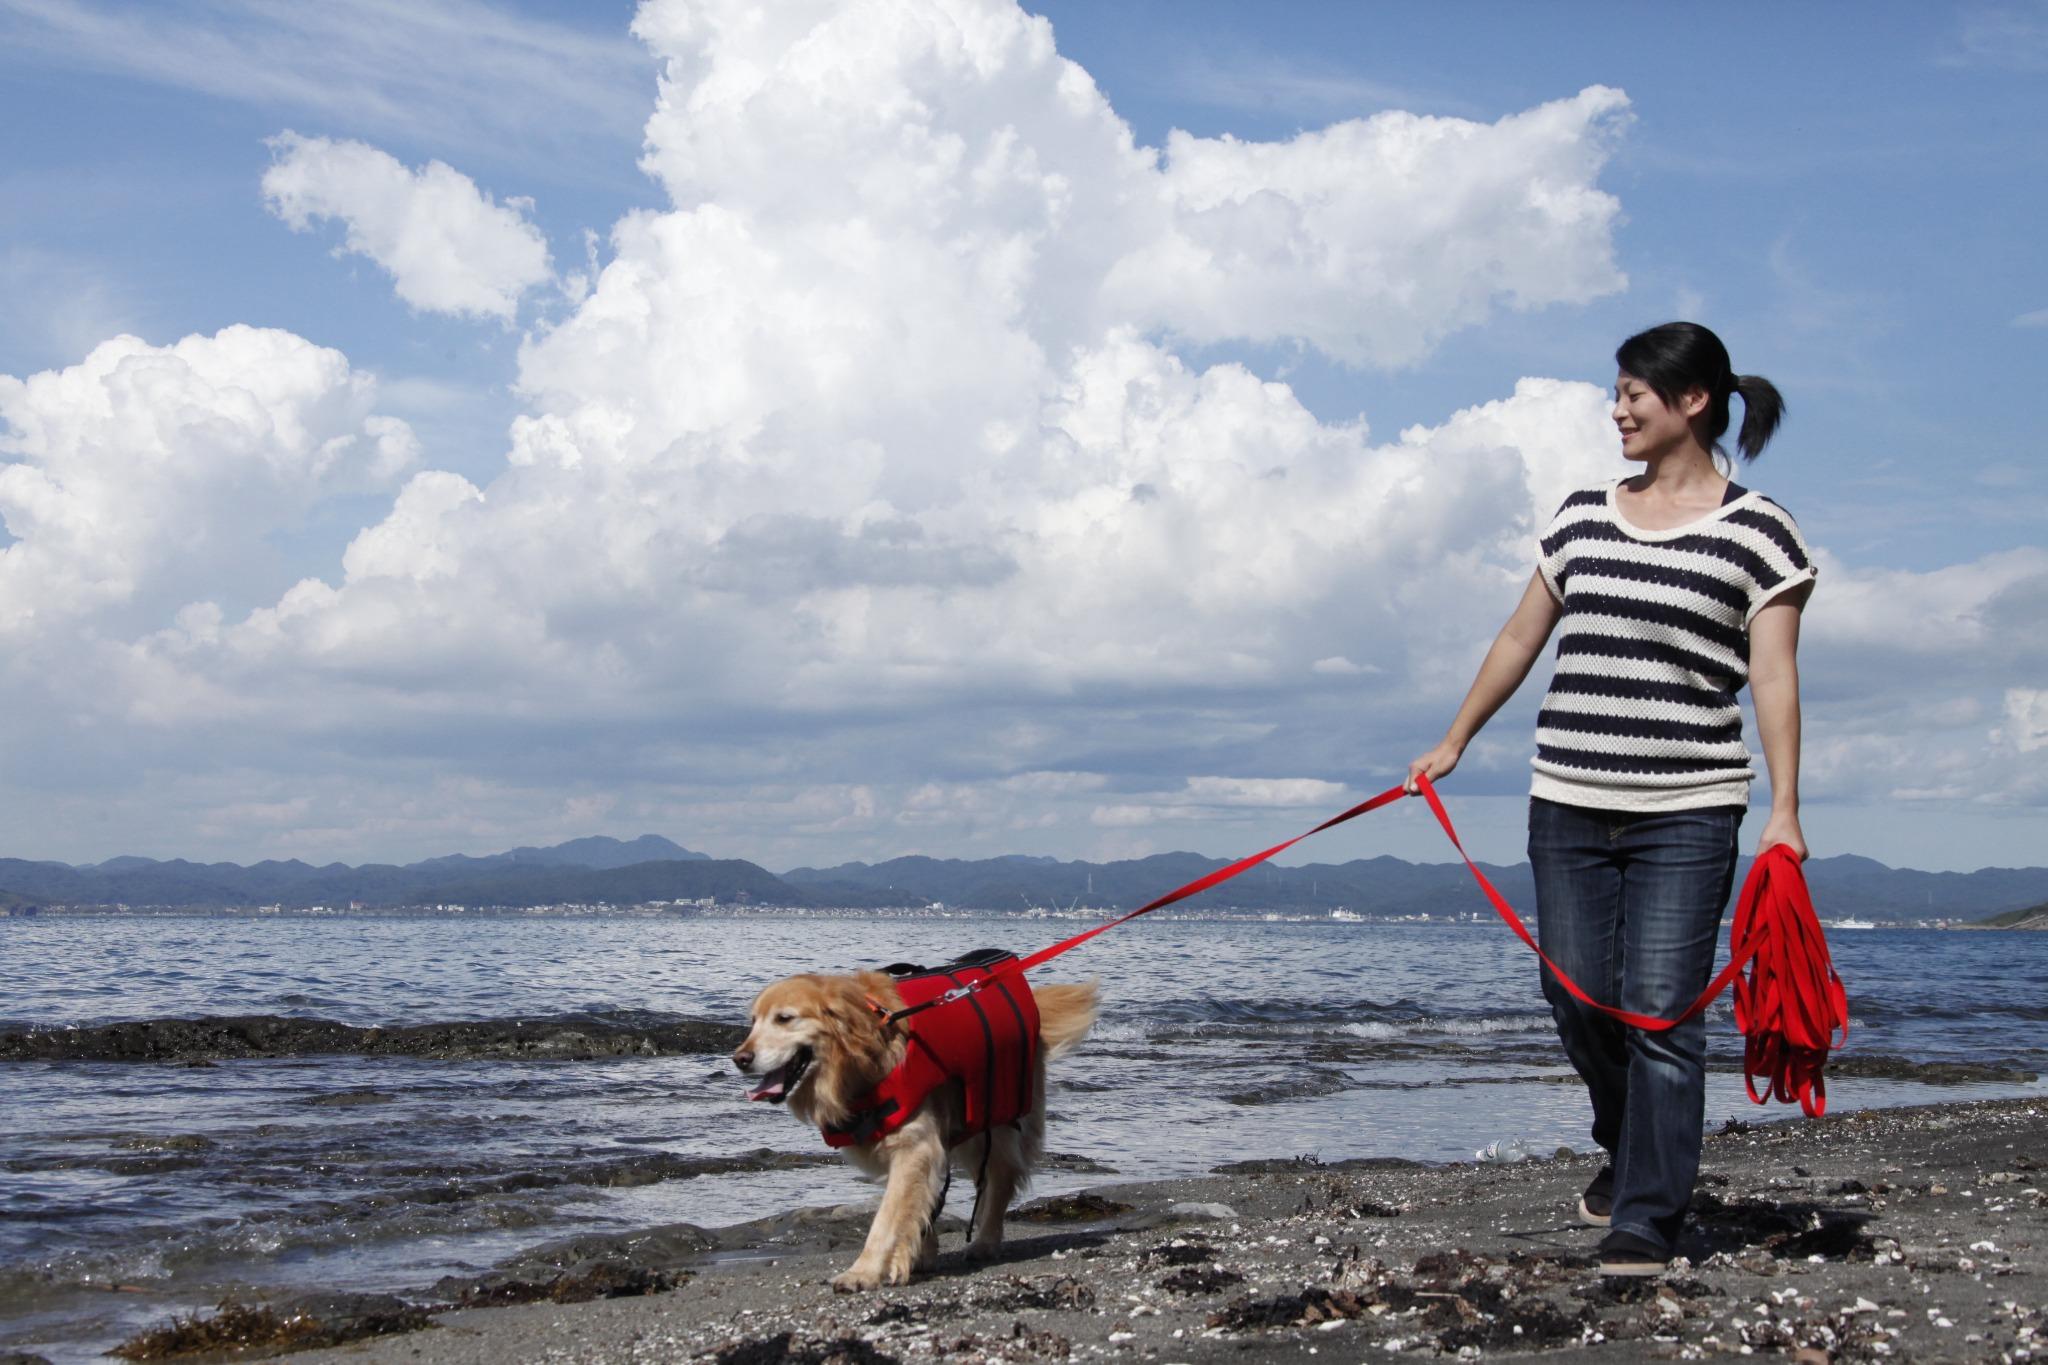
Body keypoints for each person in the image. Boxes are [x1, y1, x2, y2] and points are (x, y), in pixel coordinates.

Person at [1405, 321, 1815, 1276]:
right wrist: (1454, 737)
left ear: (1692, 402)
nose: (1618, 409)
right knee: (1578, 993)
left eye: (1634, 392)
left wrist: (1785, 808)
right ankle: (1630, 1145)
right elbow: (1520, 637)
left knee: (1662, 1011)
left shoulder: (1761, 531)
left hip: (1691, 804)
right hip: (1571, 799)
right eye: (1618, 392)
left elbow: (1776, 680)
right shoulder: (1585, 513)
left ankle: (1648, 1213)